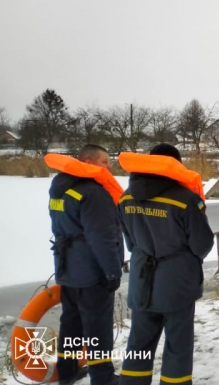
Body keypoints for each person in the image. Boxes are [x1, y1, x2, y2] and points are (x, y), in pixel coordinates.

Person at [118, 144, 215, 385]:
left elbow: (130, 242)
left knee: (138, 344)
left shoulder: (125, 197)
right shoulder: (185, 200)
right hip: (177, 283)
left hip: (141, 280)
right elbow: (202, 244)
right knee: (178, 346)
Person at [47, 144, 123, 385]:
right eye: (105, 162)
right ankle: (103, 378)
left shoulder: (60, 187)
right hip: (92, 271)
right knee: (98, 329)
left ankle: (67, 372)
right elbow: (102, 237)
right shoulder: (93, 192)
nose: (110, 167)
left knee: (70, 323)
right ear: (89, 164)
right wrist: (112, 272)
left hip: (67, 267)